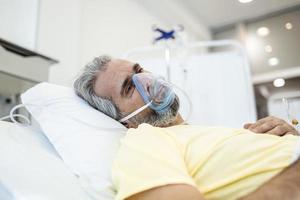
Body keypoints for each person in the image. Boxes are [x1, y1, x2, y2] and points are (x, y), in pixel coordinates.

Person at [73, 55, 300, 200]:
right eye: (129, 87)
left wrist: (290, 138)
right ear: (124, 120)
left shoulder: (200, 134)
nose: (146, 80)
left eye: (139, 70)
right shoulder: (143, 142)